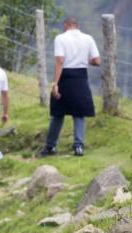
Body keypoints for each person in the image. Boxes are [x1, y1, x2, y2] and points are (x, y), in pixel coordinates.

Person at [39, 16, 101, 157]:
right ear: (77, 25)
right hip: (81, 77)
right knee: (78, 113)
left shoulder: (61, 38)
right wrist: (84, 59)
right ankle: (78, 147)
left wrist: (55, 83)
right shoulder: (88, 38)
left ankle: (50, 146)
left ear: (66, 25)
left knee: (58, 113)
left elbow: (60, 61)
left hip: (65, 76)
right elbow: (97, 61)